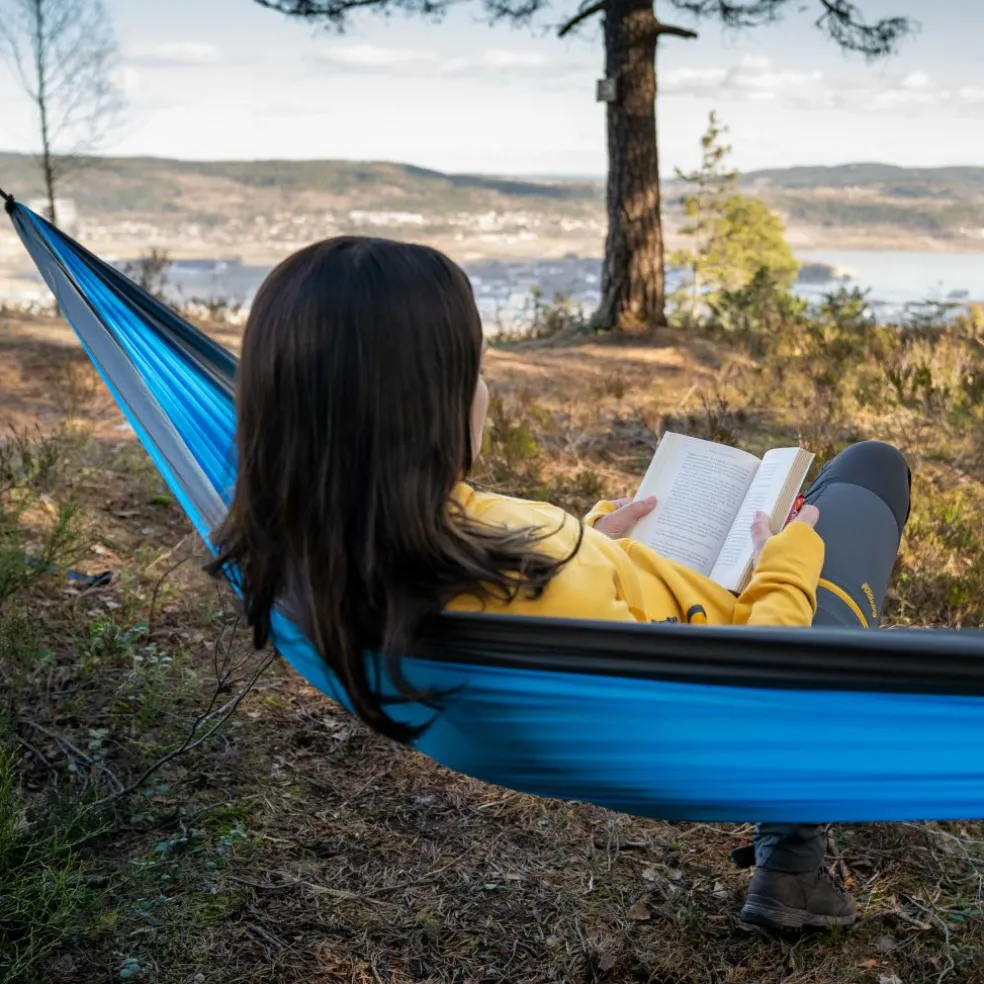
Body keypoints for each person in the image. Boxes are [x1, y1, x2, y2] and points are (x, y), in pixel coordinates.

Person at [208, 236, 910, 934]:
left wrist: (597, 542)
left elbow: (547, 592)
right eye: (473, 370)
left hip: (638, 632)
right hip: (732, 715)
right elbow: (755, 696)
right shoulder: (536, 577)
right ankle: (792, 858)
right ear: (423, 404)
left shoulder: (315, 542)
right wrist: (786, 562)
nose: (483, 391)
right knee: (870, 468)